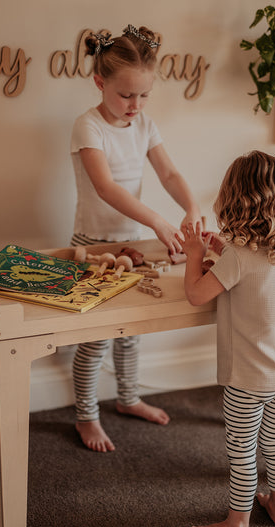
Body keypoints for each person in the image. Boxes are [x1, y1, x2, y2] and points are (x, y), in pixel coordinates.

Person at [70, 24, 201, 452]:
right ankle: (86, 415)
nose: (135, 105)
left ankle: (127, 398)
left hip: (135, 245)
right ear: (100, 82)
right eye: (126, 95)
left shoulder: (144, 124)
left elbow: (170, 173)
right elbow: (108, 188)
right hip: (94, 244)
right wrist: (160, 223)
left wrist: (191, 207)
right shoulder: (88, 127)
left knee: (132, 332)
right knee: (96, 338)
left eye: (143, 95)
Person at [176, 150, 275, 527]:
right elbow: (253, 271)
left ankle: (237, 526)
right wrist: (221, 250)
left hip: (248, 380)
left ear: (233, 200)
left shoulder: (236, 257)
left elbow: (197, 295)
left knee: (242, 452)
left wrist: (197, 255)